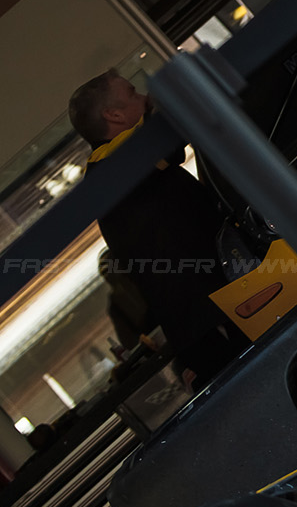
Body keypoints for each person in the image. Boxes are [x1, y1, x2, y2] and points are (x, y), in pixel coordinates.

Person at [68, 69, 239, 384]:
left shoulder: (110, 168)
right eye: (134, 94)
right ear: (114, 114)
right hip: (212, 317)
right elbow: (163, 138)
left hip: (210, 310)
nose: (145, 98)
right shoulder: (112, 161)